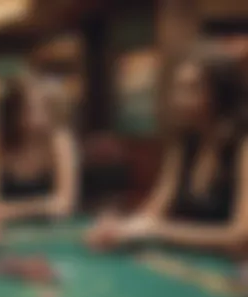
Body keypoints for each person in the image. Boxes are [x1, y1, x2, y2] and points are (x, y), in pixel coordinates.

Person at [86, 52, 248, 253]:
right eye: (178, 87)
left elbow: (240, 237)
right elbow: (153, 212)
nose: (178, 98)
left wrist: (159, 231)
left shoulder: (242, 143)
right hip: (192, 262)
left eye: (192, 88)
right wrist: (120, 228)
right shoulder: (185, 142)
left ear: (221, 92)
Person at [0, 74, 78, 222]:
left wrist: (8, 209)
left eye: (43, 108)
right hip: (1, 233)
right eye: (28, 108)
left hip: (50, 229)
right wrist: (45, 206)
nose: (36, 117)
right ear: (12, 110)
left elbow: (65, 205)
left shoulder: (60, 140)